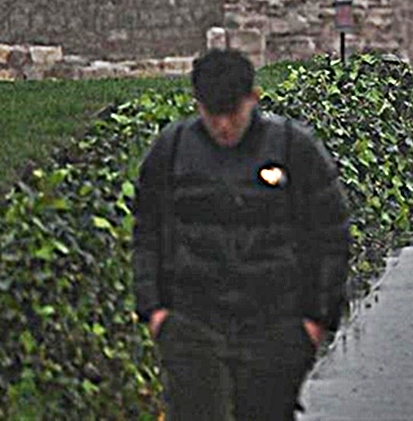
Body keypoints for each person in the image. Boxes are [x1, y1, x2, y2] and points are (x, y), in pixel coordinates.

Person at [133, 49, 350, 420]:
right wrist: (154, 310)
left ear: (253, 99)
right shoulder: (172, 151)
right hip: (192, 319)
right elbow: (147, 233)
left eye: (232, 114)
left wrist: (316, 318)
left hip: (275, 319)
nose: (223, 127)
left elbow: (330, 233)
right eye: (212, 115)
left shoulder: (292, 148)